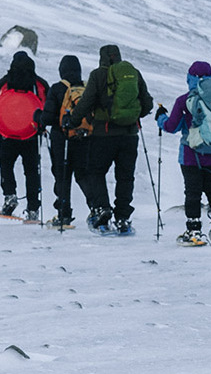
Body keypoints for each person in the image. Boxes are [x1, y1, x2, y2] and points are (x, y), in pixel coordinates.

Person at [63, 43, 153, 235]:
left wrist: (73, 120)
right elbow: (147, 103)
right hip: (129, 136)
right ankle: (123, 218)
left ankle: (103, 208)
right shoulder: (132, 73)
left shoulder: (98, 75)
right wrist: (132, 116)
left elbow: (86, 101)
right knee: (125, 177)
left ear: (102, 57)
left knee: (95, 172)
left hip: (103, 134)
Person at [157, 61, 211, 245]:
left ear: (190, 78)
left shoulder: (185, 100)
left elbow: (171, 126)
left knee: (192, 193)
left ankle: (193, 232)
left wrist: (160, 117)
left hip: (190, 156)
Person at [0, 50, 46, 222]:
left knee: (6, 166)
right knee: (32, 172)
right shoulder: (39, 84)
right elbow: (48, 108)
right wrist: (42, 127)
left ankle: (10, 196)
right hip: (31, 135)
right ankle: (33, 207)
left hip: (7, 134)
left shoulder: (4, 83)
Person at [35, 54, 87, 230]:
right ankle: (97, 209)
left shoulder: (58, 88)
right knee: (83, 176)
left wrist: (38, 116)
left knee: (62, 177)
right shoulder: (86, 88)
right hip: (83, 138)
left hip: (61, 140)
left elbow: (48, 118)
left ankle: (64, 214)